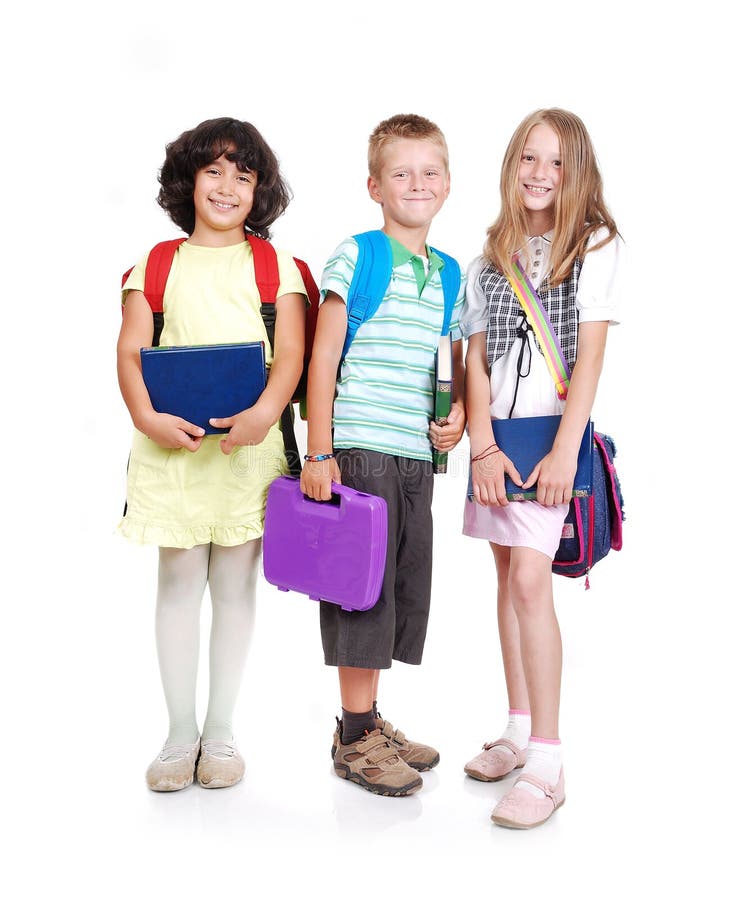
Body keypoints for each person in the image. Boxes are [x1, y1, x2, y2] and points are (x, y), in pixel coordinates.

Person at [117, 117, 306, 792]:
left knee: (233, 589)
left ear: (261, 191)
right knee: (176, 585)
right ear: (188, 181)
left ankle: (220, 730)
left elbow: (291, 356)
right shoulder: (158, 263)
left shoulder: (274, 266)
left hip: (246, 456)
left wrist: (262, 415)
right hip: (172, 454)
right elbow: (131, 349)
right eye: (213, 171)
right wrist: (145, 415)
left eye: (243, 175)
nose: (227, 186)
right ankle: (178, 733)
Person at [461, 108, 623, 827]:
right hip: (497, 445)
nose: (538, 173)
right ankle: (519, 726)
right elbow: (474, 357)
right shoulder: (487, 255)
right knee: (506, 576)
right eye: (528, 158)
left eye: (555, 162)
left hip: (551, 438)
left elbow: (589, 355)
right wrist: (481, 446)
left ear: (577, 171)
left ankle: (549, 762)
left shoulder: (595, 244)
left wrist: (566, 446)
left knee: (531, 579)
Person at [300, 114, 466, 796]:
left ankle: (366, 718)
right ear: (374, 185)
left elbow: (446, 364)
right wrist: (318, 450)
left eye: (429, 172)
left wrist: (456, 416)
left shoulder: (447, 271)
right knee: (359, 592)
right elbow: (324, 353)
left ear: (448, 183)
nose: (416, 184)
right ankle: (353, 736)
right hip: (361, 449)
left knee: (398, 587)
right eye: (400, 173)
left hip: (413, 456)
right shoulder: (357, 254)